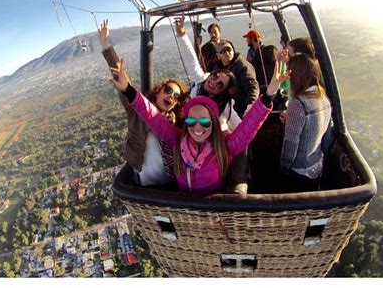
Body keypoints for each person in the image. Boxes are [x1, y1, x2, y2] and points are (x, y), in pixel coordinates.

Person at [109, 58, 289, 194]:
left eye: (204, 122)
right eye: (191, 121)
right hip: (184, 207)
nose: (197, 127)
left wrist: (270, 92)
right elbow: (151, 114)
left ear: (213, 123)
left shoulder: (224, 146)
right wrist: (127, 89)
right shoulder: (179, 140)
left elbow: (249, 125)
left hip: (210, 211)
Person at [97, 19, 188, 187]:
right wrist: (105, 45)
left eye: (177, 96)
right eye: (168, 90)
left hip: (173, 183)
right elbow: (124, 82)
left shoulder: (177, 123)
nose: (171, 96)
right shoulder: (138, 111)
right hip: (145, 184)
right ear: (159, 90)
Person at [174, 16, 249, 194]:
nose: (214, 82)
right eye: (215, 76)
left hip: (212, 154)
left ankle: (236, 185)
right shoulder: (201, 81)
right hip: (189, 142)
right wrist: (182, 34)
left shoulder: (227, 107)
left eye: (220, 85)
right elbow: (192, 61)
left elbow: (242, 131)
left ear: (223, 92)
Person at [280, 53, 332, 192]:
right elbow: (326, 137)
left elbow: (290, 144)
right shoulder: (324, 99)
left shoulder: (298, 104)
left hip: (299, 170)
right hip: (317, 165)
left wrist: (283, 168)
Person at [212, 40, 260, 118]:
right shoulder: (216, 70)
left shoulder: (243, 66)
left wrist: (251, 105)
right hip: (226, 112)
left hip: (242, 112)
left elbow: (252, 86)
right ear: (218, 55)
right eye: (223, 51)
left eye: (229, 49)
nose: (227, 53)